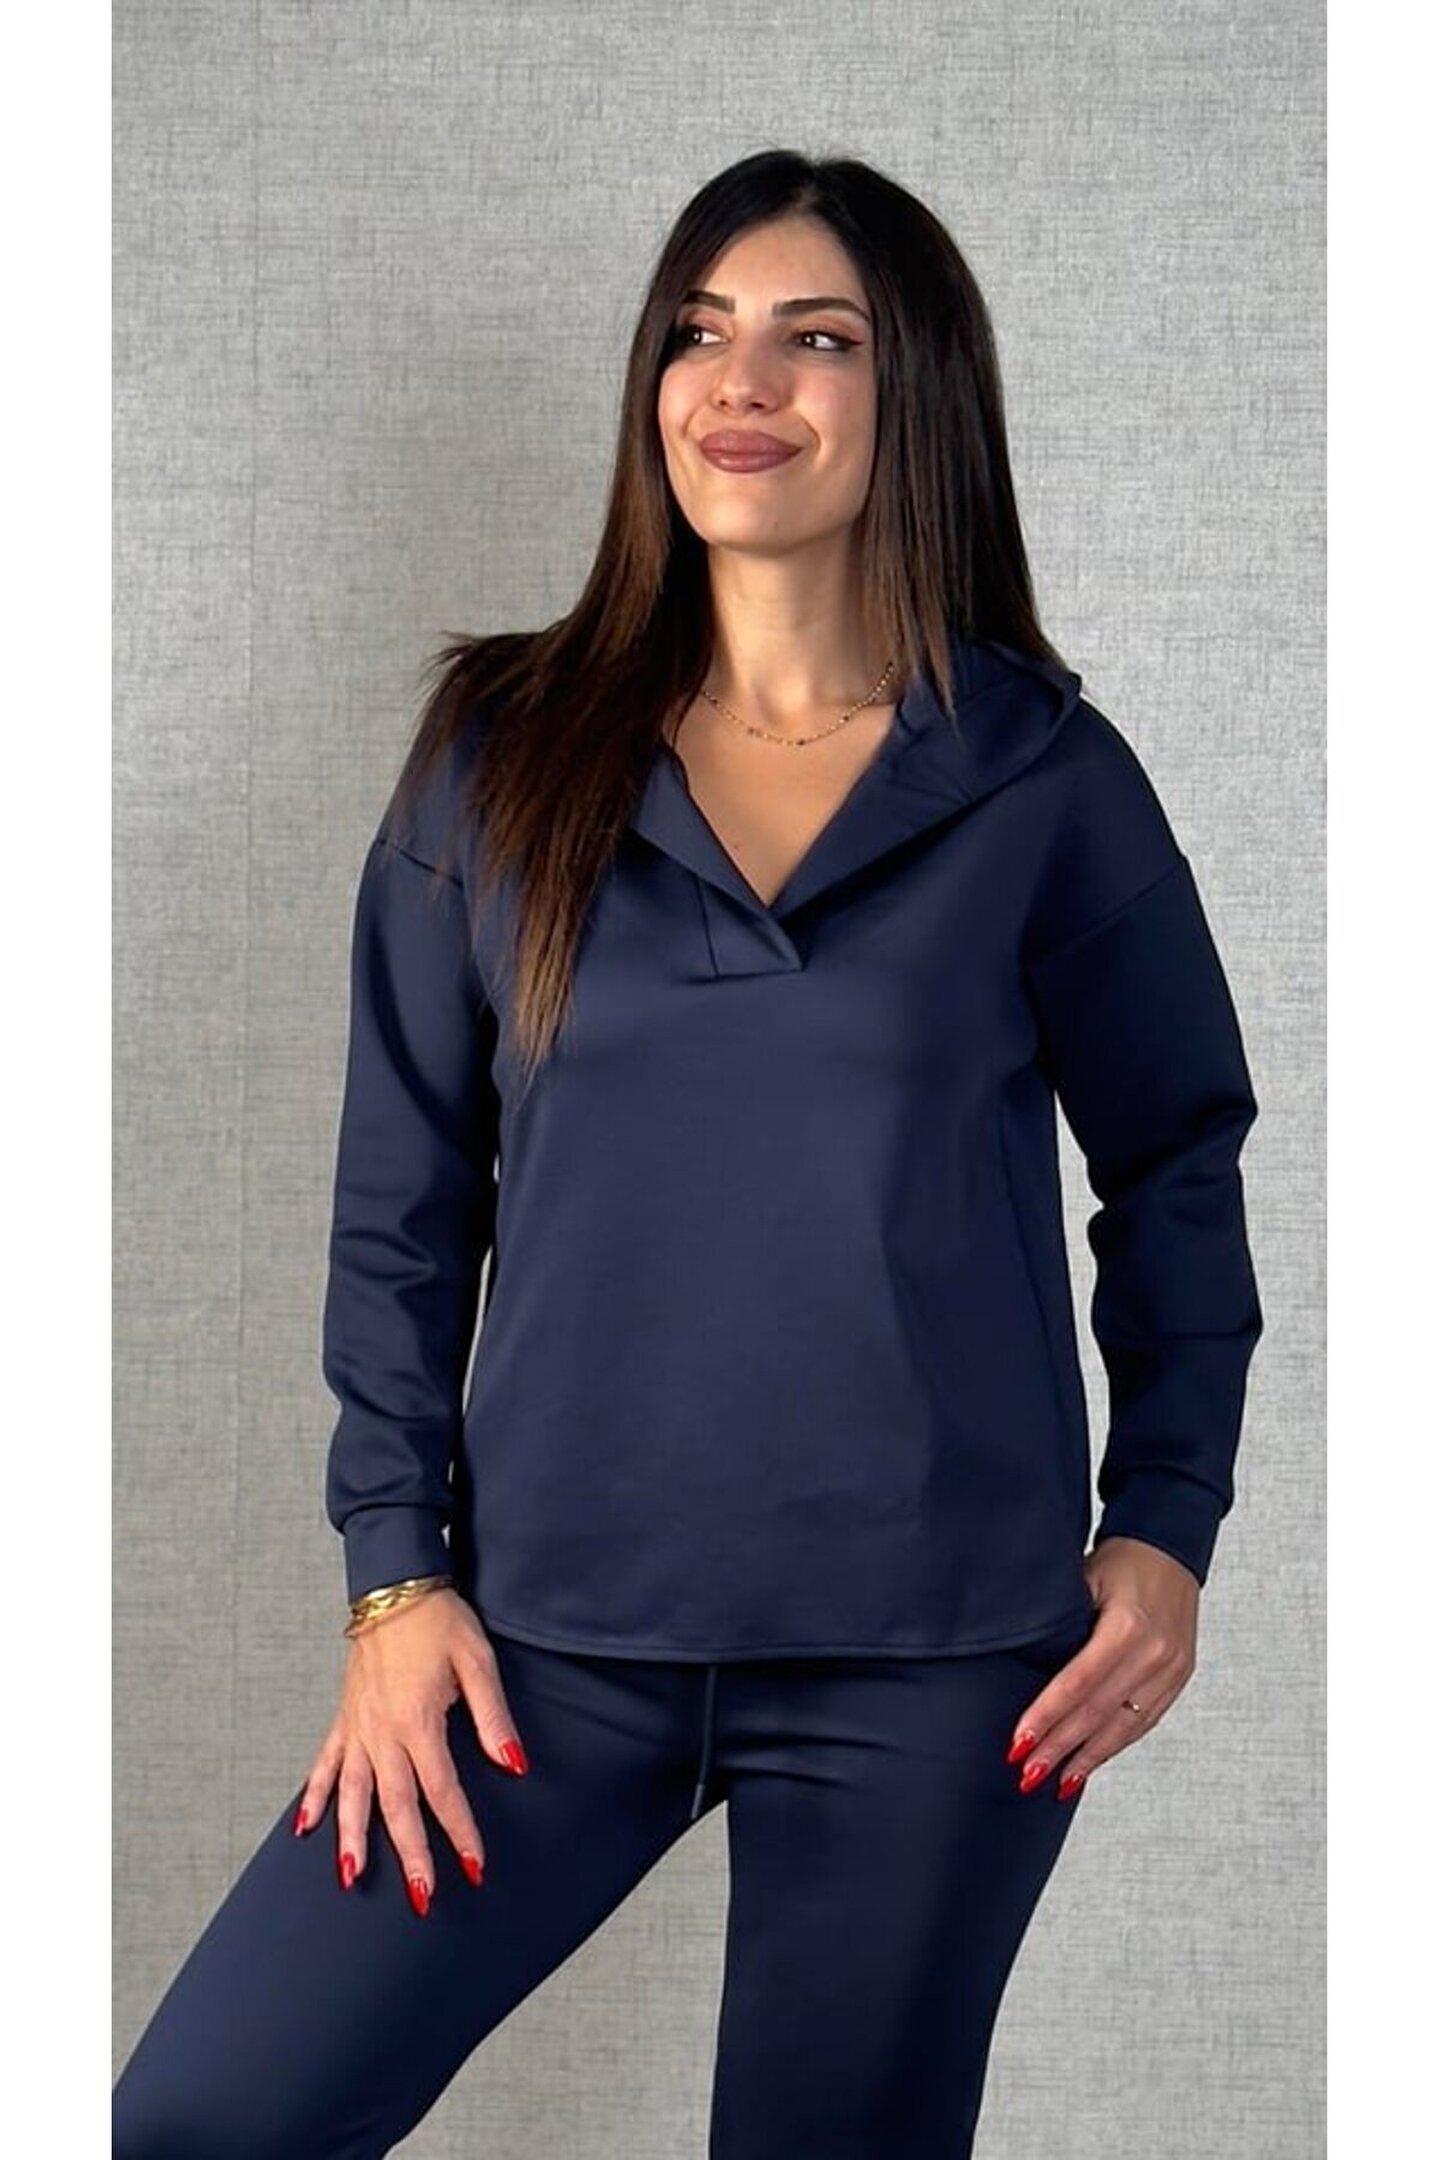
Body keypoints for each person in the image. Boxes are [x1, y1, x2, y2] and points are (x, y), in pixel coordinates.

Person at [112, 147, 1263, 2159]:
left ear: (918, 392)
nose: (743, 381)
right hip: (537, 1646)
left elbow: (1178, 1159)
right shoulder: (500, 753)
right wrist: (393, 1584)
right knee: (206, 2120)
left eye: (818, 338)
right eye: (699, 332)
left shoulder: (1044, 777)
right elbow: (402, 1205)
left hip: (938, 1666)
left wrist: (1165, 1525)